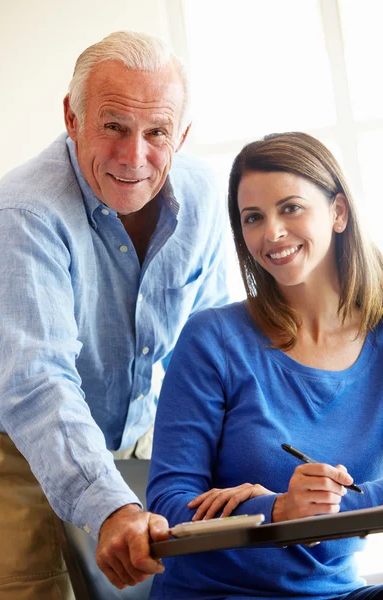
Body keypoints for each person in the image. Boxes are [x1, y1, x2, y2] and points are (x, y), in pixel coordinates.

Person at [0, 31, 229, 598]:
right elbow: (37, 382)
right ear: (72, 118)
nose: (133, 156)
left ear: (182, 135)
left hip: (141, 450)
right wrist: (111, 504)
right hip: (20, 451)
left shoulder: (201, 194)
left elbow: (215, 355)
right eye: (113, 125)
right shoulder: (25, 210)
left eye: (156, 133)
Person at [147, 132, 383, 599]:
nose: (271, 232)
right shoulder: (212, 339)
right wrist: (277, 509)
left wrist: (324, 505)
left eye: (290, 207)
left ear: (338, 212)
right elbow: (168, 508)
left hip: (335, 593)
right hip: (220, 594)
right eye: (253, 218)